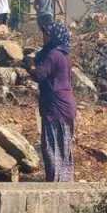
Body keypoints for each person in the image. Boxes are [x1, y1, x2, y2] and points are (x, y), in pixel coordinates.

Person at [28, 14, 77, 182]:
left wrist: (29, 67)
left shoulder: (52, 55)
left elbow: (40, 75)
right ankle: (64, 181)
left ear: (53, 36)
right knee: (64, 145)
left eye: (47, 34)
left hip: (55, 105)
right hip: (66, 104)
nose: (44, 36)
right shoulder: (64, 55)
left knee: (52, 144)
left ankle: (55, 182)